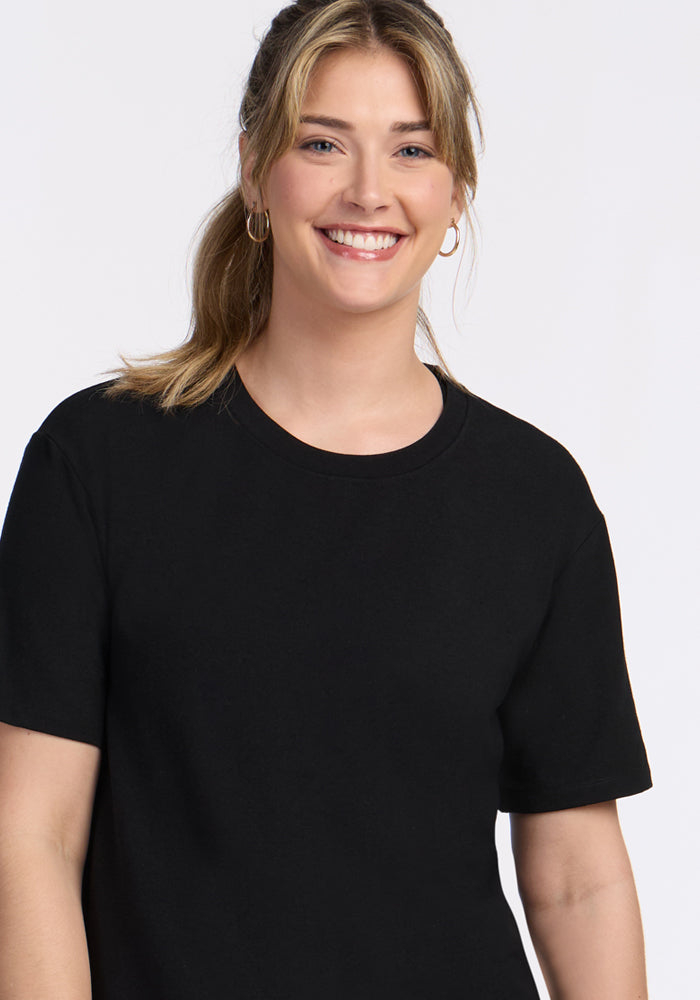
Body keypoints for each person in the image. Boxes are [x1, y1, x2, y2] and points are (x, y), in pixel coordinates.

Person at [0, 0, 652, 997]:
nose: (367, 191)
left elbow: (578, 881)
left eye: (409, 151)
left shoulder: (534, 501)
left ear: (455, 194)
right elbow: (30, 835)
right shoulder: (98, 464)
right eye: (321, 142)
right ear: (257, 169)